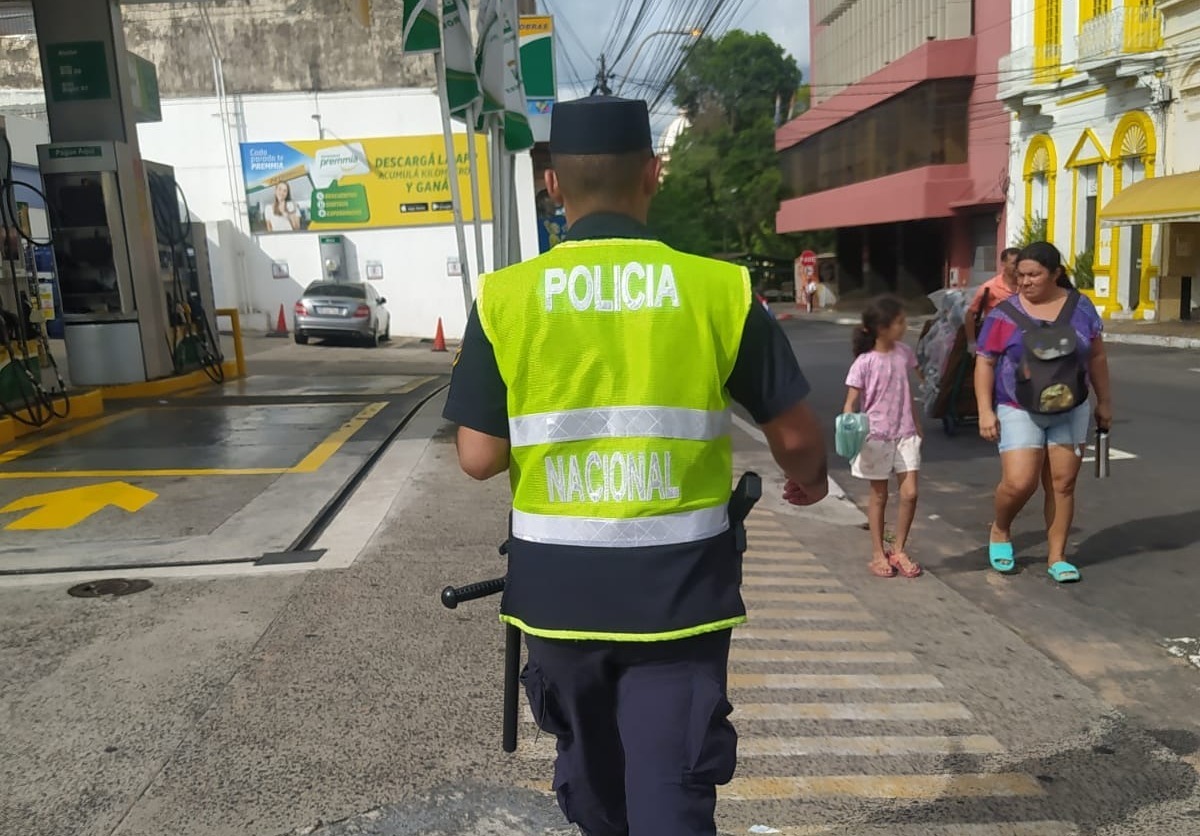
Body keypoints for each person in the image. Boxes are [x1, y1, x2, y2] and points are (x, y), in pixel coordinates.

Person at [442, 95, 829, 836]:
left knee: (594, 792)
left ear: (552, 183)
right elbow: (796, 435)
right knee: (671, 793)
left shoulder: (506, 298)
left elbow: (478, 456)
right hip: (680, 597)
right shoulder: (719, 290)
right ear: (653, 173)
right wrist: (807, 478)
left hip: (558, 596)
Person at [973, 241, 1112, 583]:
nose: (1025, 282)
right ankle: (1001, 529)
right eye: (1020, 275)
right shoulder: (1004, 314)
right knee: (1020, 483)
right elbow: (985, 361)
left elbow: (1096, 357)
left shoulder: (1081, 308)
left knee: (1062, 484)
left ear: (1055, 274)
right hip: (1018, 406)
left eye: (1034, 275)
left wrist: (1105, 401)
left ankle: (1058, 557)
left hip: (1071, 405)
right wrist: (984, 412)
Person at [842, 295, 924, 579]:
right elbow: (850, 403)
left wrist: (916, 423)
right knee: (879, 495)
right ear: (881, 328)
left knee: (910, 493)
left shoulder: (904, 353)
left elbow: (908, 392)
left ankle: (898, 548)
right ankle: (878, 552)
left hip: (906, 434)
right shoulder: (864, 362)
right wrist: (850, 431)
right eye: (899, 321)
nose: (904, 325)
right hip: (876, 435)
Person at [964, 247, 1020, 353]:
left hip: (1018, 341)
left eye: (1019, 263)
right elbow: (970, 314)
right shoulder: (990, 287)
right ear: (1003, 263)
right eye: (1014, 263)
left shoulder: (1025, 285)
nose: (1017, 267)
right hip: (995, 342)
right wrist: (971, 342)